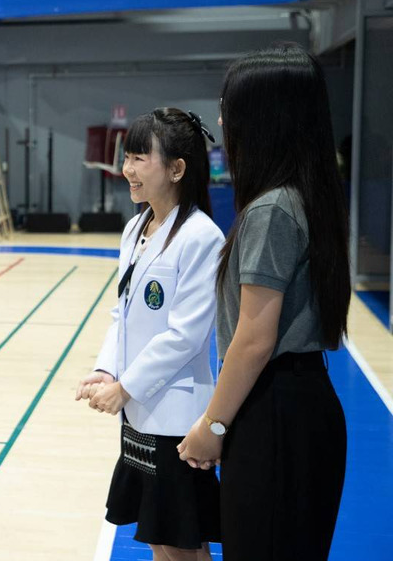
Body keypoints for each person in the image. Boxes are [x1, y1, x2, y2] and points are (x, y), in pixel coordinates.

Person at [178, 43, 350, 561]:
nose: (221, 121)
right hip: (303, 407)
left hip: (274, 414)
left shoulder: (271, 210)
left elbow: (254, 339)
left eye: (228, 108)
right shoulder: (307, 196)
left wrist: (212, 426)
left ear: (264, 119)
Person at [77, 108, 224, 561]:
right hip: (137, 413)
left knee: (182, 546)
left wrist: (125, 387)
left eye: (140, 158)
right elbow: (121, 313)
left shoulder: (202, 237)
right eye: (127, 157)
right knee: (159, 539)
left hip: (175, 417)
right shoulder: (135, 227)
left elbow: (184, 337)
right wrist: (107, 371)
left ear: (177, 169)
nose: (127, 169)